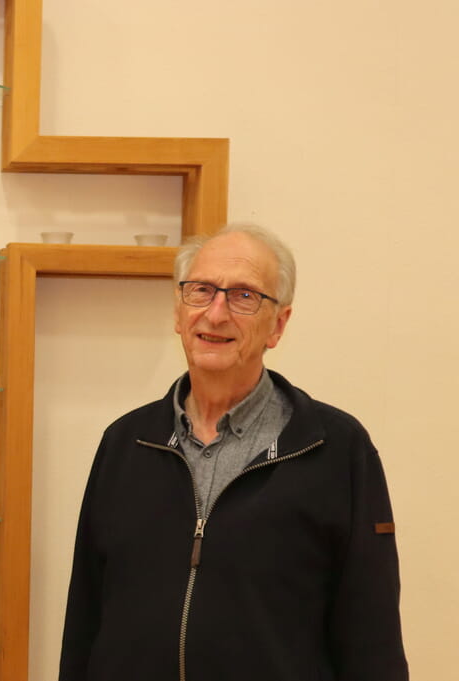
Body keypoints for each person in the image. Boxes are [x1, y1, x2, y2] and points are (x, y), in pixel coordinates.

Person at [59, 224, 408, 681]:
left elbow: (373, 640)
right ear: (179, 312)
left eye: (244, 296)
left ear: (277, 325)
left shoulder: (336, 450)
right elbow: (84, 619)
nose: (216, 313)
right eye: (201, 291)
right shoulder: (126, 443)